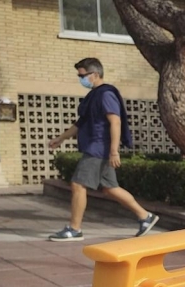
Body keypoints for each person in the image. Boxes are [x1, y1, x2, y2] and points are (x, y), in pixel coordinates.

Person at [48, 58, 159, 242]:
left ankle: (75, 229)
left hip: (99, 147)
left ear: (95, 75)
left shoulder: (105, 94)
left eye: (82, 75)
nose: (80, 79)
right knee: (110, 188)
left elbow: (115, 121)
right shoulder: (94, 95)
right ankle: (145, 217)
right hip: (97, 146)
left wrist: (113, 151)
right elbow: (80, 123)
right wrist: (60, 139)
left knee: (78, 184)